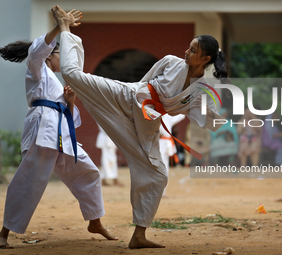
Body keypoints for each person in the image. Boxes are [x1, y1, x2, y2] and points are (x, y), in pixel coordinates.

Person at [51, 5, 227, 249]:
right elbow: (143, 84)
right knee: (72, 75)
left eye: (193, 50)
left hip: (148, 123)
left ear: (205, 59)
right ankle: (64, 27)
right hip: (127, 96)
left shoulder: (200, 92)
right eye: (189, 46)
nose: (187, 51)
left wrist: (224, 120)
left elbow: (206, 117)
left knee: (157, 174)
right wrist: (141, 104)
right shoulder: (170, 62)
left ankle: (139, 235)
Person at [0, 10, 116, 249]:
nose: (63, 60)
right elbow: (36, 50)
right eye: (60, 54)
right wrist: (59, 26)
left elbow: (71, 120)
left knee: (88, 172)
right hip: (43, 130)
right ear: (50, 56)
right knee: (30, 181)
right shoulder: (37, 68)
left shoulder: (57, 81)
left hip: (61, 133)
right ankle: (3, 233)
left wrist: (70, 102)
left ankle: (95, 221)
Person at [159, 114, 185, 196]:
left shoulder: (167, 116)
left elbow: (182, 115)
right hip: (157, 142)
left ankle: (161, 192)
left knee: (165, 168)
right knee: (158, 168)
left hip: (165, 144)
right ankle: (158, 193)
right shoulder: (155, 115)